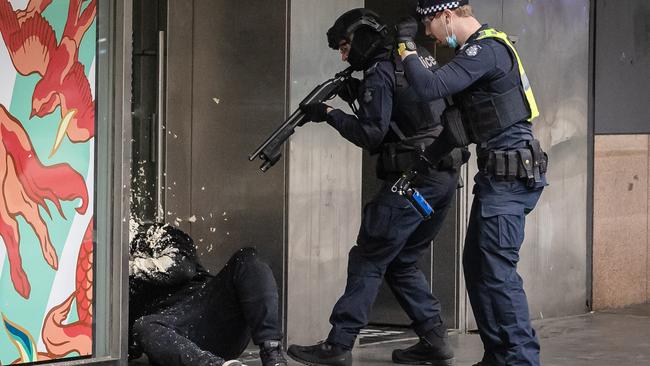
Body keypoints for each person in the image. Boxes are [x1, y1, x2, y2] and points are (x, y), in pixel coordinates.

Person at [288, 8, 466, 366]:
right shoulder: (416, 57)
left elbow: (370, 133)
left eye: (344, 46)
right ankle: (433, 338)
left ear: (362, 38)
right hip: (443, 179)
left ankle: (338, 345)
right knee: (401, 260)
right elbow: (410, 110)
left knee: (369, 255)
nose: (343, 55)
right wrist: (359, 92)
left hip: (413, 180)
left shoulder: (380, 70)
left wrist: (329, 115)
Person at [395, 1, 548, 365]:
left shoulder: (487, 50)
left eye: (429, 25)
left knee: (496, 271)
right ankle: (498, 355)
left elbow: (427, 87)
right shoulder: (476, 55)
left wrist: (406, 47)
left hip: (510, 177)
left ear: (447, 16)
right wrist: (425, 161)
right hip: (498, 177)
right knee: (477, 267)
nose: (429, 34)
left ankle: (521, 359)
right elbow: (460, 125)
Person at [128, 223, 287, 366]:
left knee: (246, 258)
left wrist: (128, 268)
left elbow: (180, 268)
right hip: (173, 338)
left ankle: (272, 351)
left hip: (207, 310)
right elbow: (129, 348)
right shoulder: (109, 287)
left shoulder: (152, 234)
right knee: (143, 326)